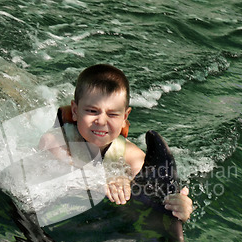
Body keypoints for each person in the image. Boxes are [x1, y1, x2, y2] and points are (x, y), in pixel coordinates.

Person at [39, 64, 193, 222]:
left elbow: (154, 197)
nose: (101, 121)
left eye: (112, 114)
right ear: (75, 111)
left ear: (125, 117)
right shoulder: (55, 141)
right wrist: (104, 180)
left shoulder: (133, 158)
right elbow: (62, 174)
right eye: (92, 111)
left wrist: (179, 207)